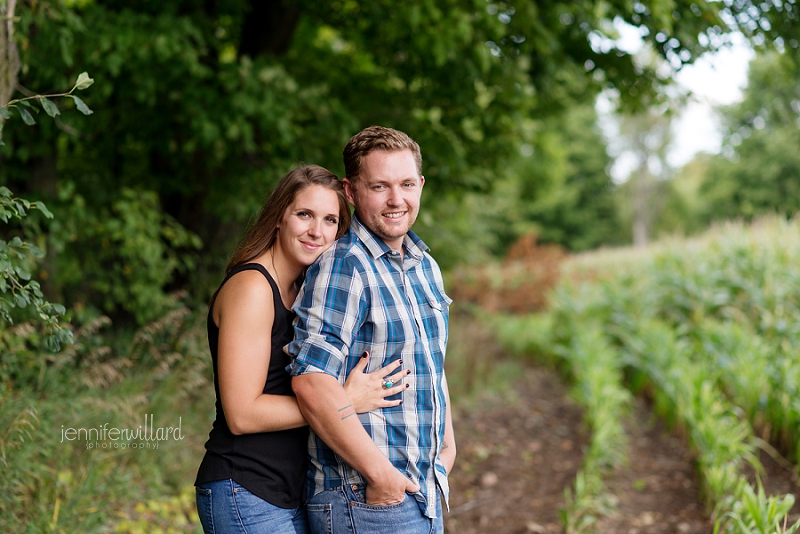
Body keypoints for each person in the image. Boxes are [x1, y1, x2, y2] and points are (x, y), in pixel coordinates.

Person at [194, 165, 409, 534]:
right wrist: (344, 401)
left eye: (330, 220)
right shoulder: (253, 288)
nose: (317, 231)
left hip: (290, 492)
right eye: (304, 215)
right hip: (245, 487)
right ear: (280, 217)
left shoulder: (304, 289)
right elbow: (242, 414)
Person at [288, 126, 456, 534]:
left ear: (421, 185)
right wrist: (381, 477)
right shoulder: (345, 264)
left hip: (423, 490)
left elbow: (431, 363)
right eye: (379, 186)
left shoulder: (424, 265)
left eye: (406, 184)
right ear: (351, 191)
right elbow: (312, 382)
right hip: (365, 499)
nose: (396, 199)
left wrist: (447, 450)